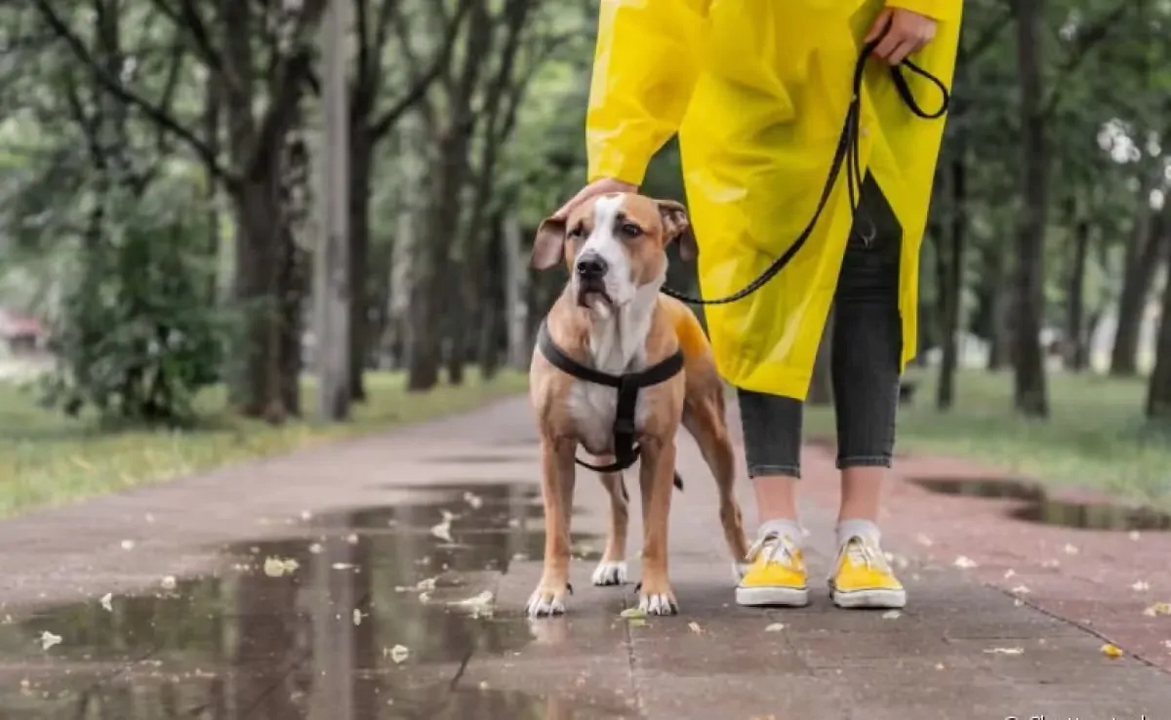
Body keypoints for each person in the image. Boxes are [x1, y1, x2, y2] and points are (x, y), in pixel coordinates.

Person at [552, 0, 962, 609]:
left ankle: (862, 536)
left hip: (877, 48)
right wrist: (619, 157)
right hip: (750, 72)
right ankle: (777, 532)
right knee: (761, 291)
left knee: (871, 277)